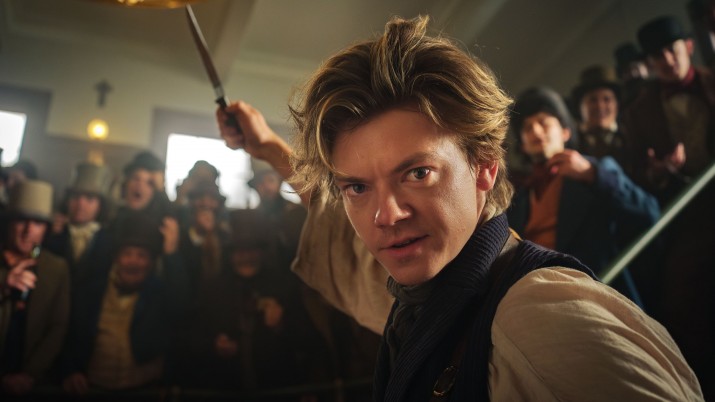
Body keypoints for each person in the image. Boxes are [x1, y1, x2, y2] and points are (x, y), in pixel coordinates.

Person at [217, 16, 703, 400]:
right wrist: (268, 148)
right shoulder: (427, 292)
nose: (386, 215)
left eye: (417, 173)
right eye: (358, 188)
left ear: (485, 167)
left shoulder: (545, 319)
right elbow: (345, 239)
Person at [623, 15, 715, 396]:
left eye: (671, 50)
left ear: (688, 47)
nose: (666, 60)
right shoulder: (637, 113)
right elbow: (637, 177)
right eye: (657, 56)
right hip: (687, 219)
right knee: (682, 302)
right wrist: (659, 171)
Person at [507, 86, 659, 304]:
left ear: (565, 131)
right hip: (543, 301)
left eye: (543, 122)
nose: (536, 132)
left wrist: (593, 174)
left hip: (600, 296)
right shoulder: (519, 199)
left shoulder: (597, 171)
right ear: (522, 144)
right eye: (528, 128)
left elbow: (649, 212)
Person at [61, 212, 188, 395]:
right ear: (116, 258)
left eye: (142, 256)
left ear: (151, 263)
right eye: (127, 254)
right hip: (93, 390)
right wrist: (71, 370)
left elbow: (180, 305)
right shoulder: (91, 293)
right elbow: (70, 335)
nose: (133, 262)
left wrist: (171, 254)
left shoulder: (158, 294)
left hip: (144, 391)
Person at [0, 180, 70, 396]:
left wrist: (30, 374)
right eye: (22, 220)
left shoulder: (56, 268)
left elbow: (58, 327)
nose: (28, 231)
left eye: (38, 223)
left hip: (32, 383)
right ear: (9, 223)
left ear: (46, 229)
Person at [43, 162, 113, 286]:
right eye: (75, 197)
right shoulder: (53, 233)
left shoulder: (109, 239)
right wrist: (49, 235)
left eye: (89, 198)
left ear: (100, 205)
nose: (81, 204)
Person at [571, 65, 630, 166]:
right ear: (581, 107)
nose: (600, 106)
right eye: (593, 100)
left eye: (607, 99)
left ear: (616, 105)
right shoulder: (570, 143)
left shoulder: (632, 136)